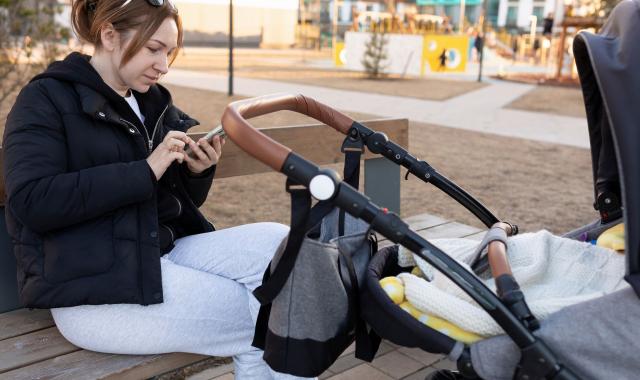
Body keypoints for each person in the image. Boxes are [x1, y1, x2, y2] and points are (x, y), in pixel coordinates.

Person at [2, 0, 310, 379]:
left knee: (285, 247)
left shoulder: (152, 104)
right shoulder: (45, 99)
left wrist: (196, 173)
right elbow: (32, 201)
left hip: (159, 253)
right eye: (154, 49)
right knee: (273, 314)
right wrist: (144, 170)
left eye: (169, 51)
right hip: (92, 287)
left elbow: (164, 202)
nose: (164, 65)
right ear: (110, 36)